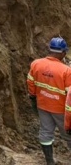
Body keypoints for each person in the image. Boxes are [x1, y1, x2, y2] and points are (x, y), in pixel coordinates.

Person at [29, 37, 71, 165]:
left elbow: (31, 83)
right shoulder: (66, 71)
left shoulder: (36, 64)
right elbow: (70, 95)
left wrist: (33, 98)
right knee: (68, 135)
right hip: (61, 109)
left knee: (45, 132)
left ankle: (49, 161)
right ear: (62, 53)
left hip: (42, 105)